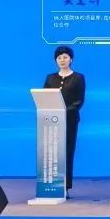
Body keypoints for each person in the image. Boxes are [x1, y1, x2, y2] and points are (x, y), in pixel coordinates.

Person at [43, 45, 85, 195]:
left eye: (65, 57)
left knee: (67, 152)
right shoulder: (50, 78)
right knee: (52, 152)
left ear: (71, 59)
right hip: (51, 122)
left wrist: (64, 111)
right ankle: (51, 183)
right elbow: (44, 97)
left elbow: (79, 100)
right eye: (59, 57)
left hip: (70, 121)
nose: (62, 60)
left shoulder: (78, 77)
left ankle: (65, 186)